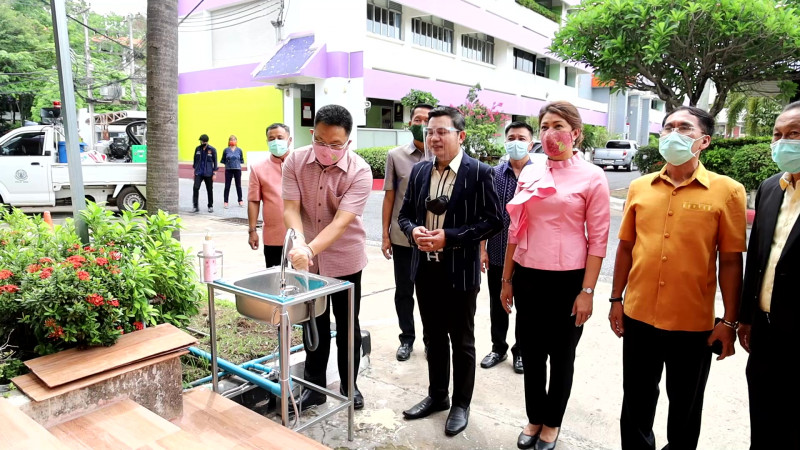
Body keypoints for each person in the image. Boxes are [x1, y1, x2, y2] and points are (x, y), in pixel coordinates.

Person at [608, 106, 747, 450]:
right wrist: (615, 300)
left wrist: (729, 322)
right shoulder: (641, 187)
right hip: (639, 317)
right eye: (667, 127)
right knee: (636, 402)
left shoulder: (728, 191)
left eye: (684, 128)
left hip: (693, 324)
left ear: (704, 141)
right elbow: (625, 247)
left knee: (685, 407)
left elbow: (730, 262)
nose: (672, 133)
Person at [500, 102, 610, 450]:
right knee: (531, 354)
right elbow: (516, 231)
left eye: (558, 125)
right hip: (529, 277)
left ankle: (552, 423)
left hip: (569, 281)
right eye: (544, 126)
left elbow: (599, 239)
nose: (550, 133)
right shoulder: (530, 172)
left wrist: (587, 291)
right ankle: (534, 418)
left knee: (562, 356)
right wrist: (507, 279)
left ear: (576, 133)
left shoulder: (592, 176)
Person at [398, 106, 502, 437]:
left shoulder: (480, 173)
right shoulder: (419, 172)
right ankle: (438, 396)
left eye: (442, 131)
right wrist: (414, 231)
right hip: (425, 271)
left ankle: (461, 404)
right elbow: (404, 216)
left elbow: (495, 221)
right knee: (432, 337)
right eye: (430, 132)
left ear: (461, 135)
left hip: (459, 271)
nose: (434, 138)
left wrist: (450, 238)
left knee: (462, 341)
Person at [283, 104, 372, 411]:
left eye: (335, 145)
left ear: (348, 141)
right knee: (314, 324)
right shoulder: (294, 161)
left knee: (348, 326)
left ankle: (350, 385)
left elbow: (341, 222)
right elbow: (291, 207)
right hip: (307, 261)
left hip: (345, 259)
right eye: (321, 141)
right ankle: (314, 386)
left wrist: (309, 249)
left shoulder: (359, 170)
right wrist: (298, 240)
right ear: (312, 134)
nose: (326, 149)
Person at [739, 101, 800, 449]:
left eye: (794, 134)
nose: (782, 142)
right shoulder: (769, 188)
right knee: (762, 420)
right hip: (765, 332)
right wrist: (746, 318)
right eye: (777, 134)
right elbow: (758, 258)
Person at [479, 121, 536, 375]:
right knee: (497, 303)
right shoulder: (493, 174)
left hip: (528, 256)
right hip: (498, 251)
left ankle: (521, 351)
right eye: (512, 137)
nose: (517, 142)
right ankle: (498, 348)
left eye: (522, 138)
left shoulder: (540, 175)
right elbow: (484, 216)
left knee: (525, 306)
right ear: (505, 141)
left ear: (531, 143)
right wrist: (482, 248)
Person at [382, 103, 432, 361]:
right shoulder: (396, 155)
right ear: (409, 122)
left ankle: (431, 339)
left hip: (434, 239)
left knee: (431, 292)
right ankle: (407, 339)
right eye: (417, 119)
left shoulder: (443, 154)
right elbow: (390, 197)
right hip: (403, 237)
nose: (422, 124)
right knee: (404, 291)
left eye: (427, 119)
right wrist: (384, 235)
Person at [248, 123, 292, 267]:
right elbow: (254, 201)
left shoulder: (300, 164)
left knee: (303, 281)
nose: (275, 142)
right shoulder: (258, 168)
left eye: (280, 137)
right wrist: (252, 230)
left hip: (302, 236)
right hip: (273, 236)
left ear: (289, 140)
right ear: (267, 142)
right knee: (276, 282)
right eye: (271, 139)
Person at [192, 134, 217, 213]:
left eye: (202, 141)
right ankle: (195, 206)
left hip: (208, 173)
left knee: (209, 189)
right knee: (195, 188)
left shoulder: (212, 150)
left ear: (206, 141)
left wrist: (214, 173)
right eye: (201, 141)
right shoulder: (198, 149)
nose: (201, 142)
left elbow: (215, 162)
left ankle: (210, 206)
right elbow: (195, 160)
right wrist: (195, 171)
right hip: (199, 172)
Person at [221, 135, 245, 209]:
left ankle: (240, 200)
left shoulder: (239, 150)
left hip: (237, 169)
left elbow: (241, 160)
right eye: (231, 139)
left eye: (234, 139)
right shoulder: (226, 150)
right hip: (228, 169)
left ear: (236, 141)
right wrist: (228, 164)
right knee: (227, 186)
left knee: (238, 186)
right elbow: (223, 160)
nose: (233, 141)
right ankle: (225, 202)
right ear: (229, 141)